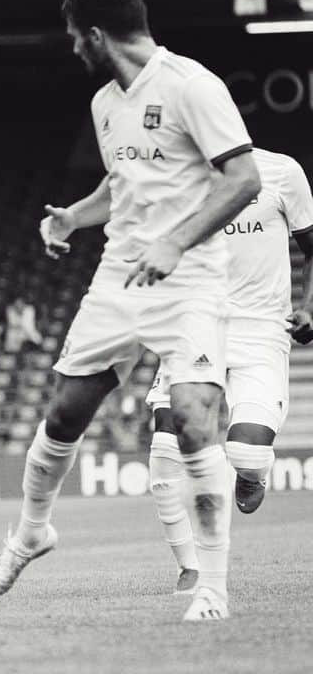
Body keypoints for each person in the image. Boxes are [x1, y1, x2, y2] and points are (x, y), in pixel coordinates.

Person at [0, 0, 261, 622]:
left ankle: (211, 587)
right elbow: (122, 183)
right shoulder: (106, 102)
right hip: (119, 276)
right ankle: (30, 534)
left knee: (192, 418)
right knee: (67, 411)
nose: (74, 49)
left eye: (77, 38)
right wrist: (74, 217)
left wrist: (176, 243)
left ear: (98, 34)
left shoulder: (192, 85)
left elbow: (243, 179)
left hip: (188, 278)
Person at [144, 147, 313, 593]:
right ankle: (190, 567)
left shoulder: (281, 171)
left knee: (248, 453)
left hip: (261, 330)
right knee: (164, 453)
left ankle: (252, 474)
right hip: (195, 325)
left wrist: (309, 306)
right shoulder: (177, 175)